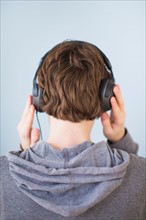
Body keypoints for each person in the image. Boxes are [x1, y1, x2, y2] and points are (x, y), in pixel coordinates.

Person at [0, 40, 145, 220]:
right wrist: (119, 139)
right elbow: (131, 178)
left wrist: (24, 153)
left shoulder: (4, 175)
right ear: (106, 97)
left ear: (39, 97)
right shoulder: (141, 174)